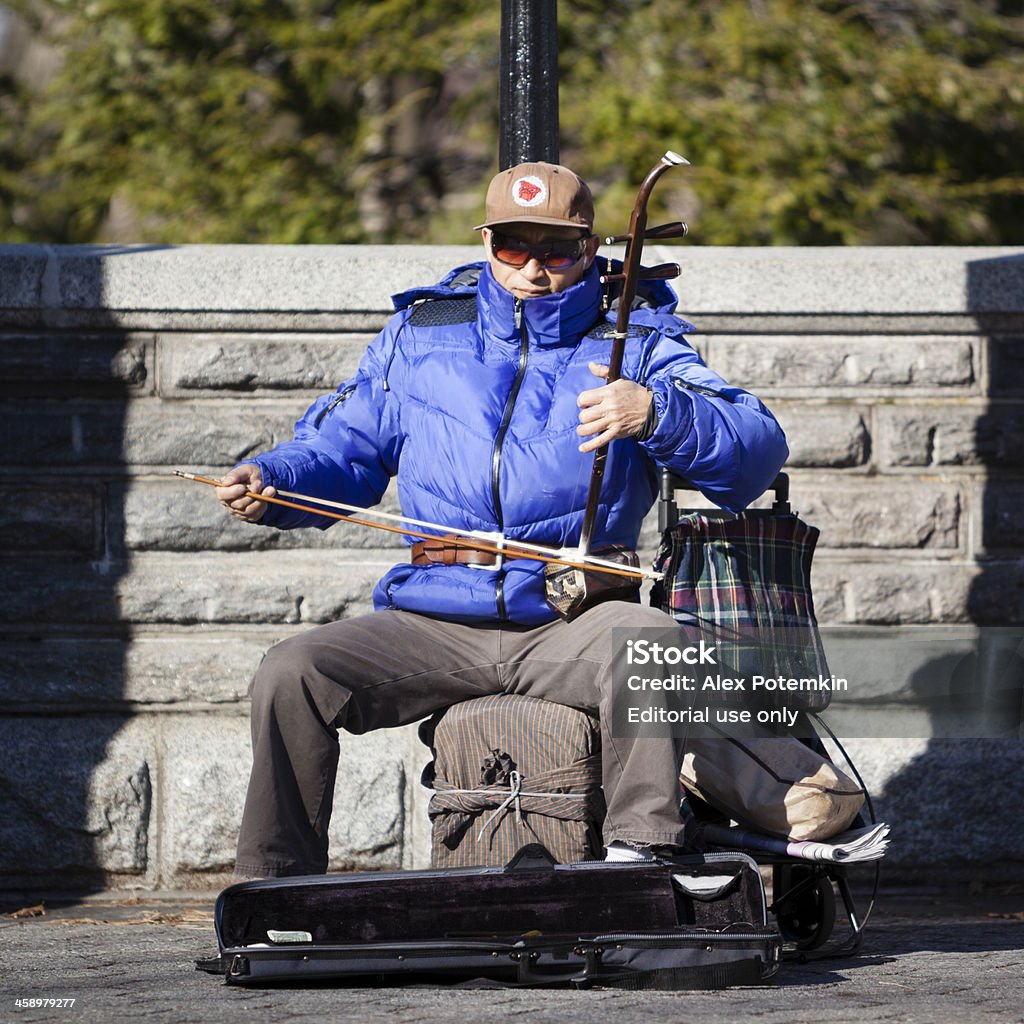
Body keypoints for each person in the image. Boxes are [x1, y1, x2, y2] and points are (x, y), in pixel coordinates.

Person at [215, 161, 789, 878]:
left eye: (556, 249)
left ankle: (640, 857)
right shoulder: (420, 336)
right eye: (514, 246)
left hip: (571, 618)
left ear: (589, 248)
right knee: (291, 673)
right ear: (486, 240)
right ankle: (274, 890)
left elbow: (756, 451)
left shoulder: (637, 340)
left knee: (648, 643)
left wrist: (657, 411)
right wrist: (274, 481)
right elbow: (340, 448)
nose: (534, 268)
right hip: (434, 617)